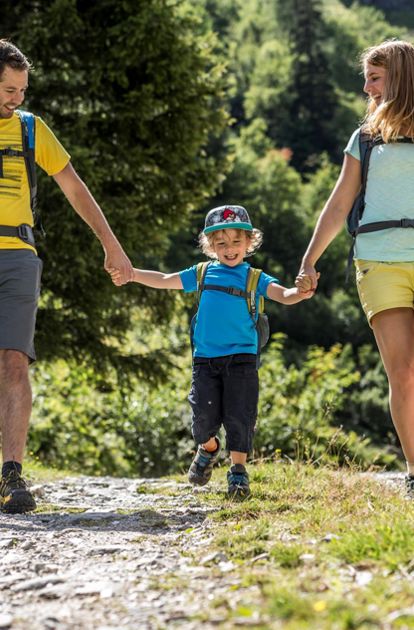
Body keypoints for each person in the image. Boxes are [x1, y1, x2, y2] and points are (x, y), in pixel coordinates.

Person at [0, 39, 133, 514]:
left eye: (21, 89)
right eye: (9, 89)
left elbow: (75, 188)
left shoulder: (32, 130)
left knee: (15, 361)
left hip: (18, 255)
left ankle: (11, 473)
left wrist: (111, 246)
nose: (16, 98)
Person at [112, 205, 314, 499]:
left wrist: (301, 292)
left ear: (249, 242)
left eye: (236, 242)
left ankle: (238, 473)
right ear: (210, 246)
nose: (229, 249)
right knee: (202, 419)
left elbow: (283, 295)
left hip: (243, 358)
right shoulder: (203, 273)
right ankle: (208, 448)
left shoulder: (255, 278)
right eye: (221, 243)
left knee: (239, 417)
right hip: (205, 359)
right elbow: (167, 280)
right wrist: (132, 274)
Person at [295, 39, 414, 496]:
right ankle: (413, 470)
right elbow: (340, 201)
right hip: (378, 259)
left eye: (375, 76)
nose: (366, 86)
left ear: (400, 76)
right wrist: (310, 259)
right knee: (401, 372)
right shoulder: (364, 138)